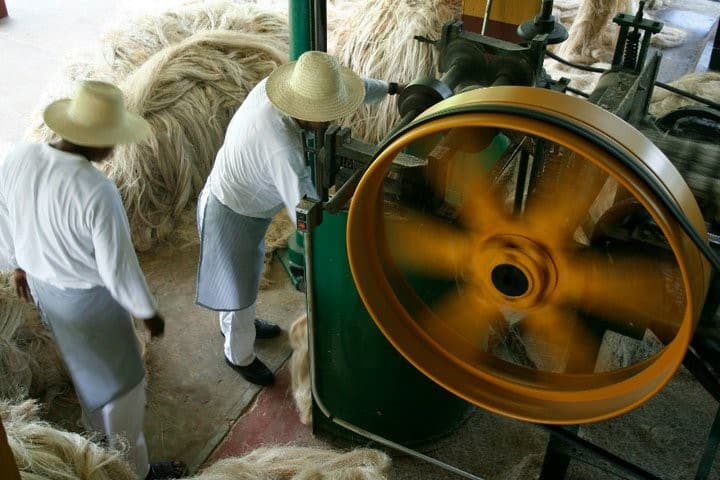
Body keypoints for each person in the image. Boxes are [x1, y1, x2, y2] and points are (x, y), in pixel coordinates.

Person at [0, 81, 187, 480]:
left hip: (45, 291)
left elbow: (4, 213)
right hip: (91, 302)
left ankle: (95, 444)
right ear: (100, 144)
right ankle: (132, 471)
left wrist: (17, 263)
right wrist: (146, 311)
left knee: (83, 371)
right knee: (124, 390)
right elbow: (118, 269)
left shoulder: (21, 156)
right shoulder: (96, 190)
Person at [196, 51, 402, 386]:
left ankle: (238, 324)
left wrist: (393, 88)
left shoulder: (283, 88)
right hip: (231, 211)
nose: (331, 118)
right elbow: (305, 208)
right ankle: (239, 355)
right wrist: (347, 218)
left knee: (242, 280)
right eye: (326, 115)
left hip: (246, 200)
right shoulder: (280, 146)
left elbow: (355, 88)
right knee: (239, 289)